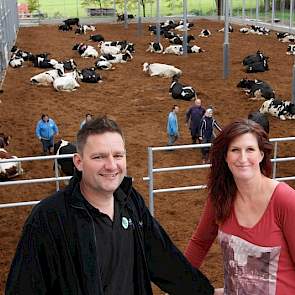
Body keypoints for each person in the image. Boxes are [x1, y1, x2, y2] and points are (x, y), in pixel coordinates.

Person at [6, 116, 215, 295]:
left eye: (118, 155)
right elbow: (24, 287)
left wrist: (204, 292)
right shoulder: (49, 218)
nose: (111, 165)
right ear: (78, 162)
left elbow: (163, 259)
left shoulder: (130, 200)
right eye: (99, 157)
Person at [185, 118, 295, 294]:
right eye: (235, 150)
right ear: (226, 156)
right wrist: (179, 285)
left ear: (261, 155)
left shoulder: (285, 200)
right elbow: (200, 243)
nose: (243, 158)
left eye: (250, 149)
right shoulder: (220, 197)